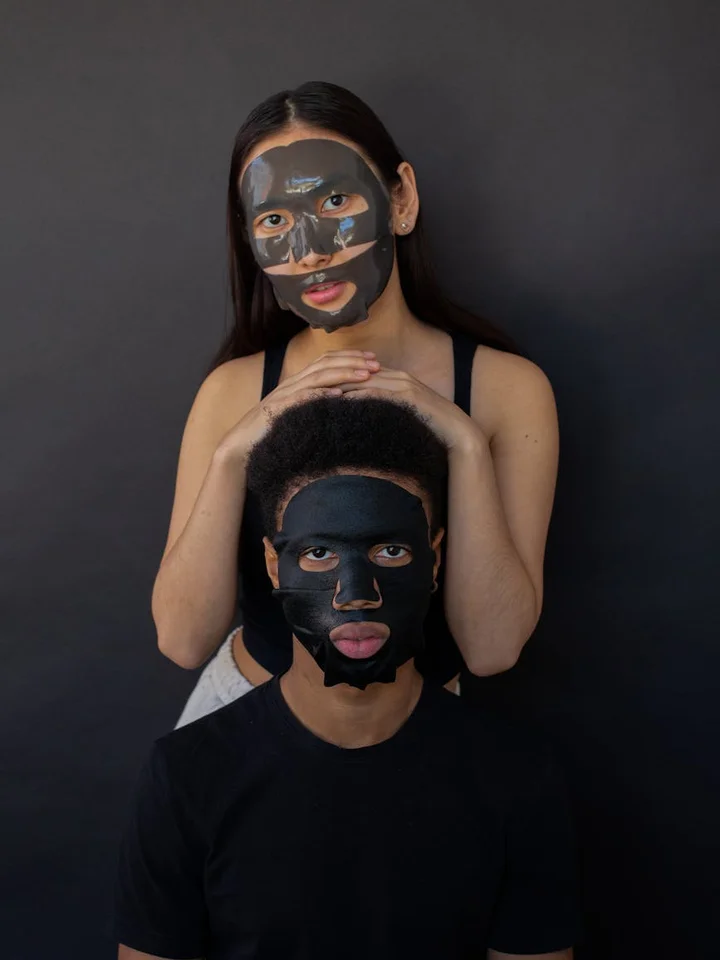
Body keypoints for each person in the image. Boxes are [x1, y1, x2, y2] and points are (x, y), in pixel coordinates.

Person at [151, 80, 559, 725]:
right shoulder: (232, 390)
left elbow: (492, 648)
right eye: (275, 220)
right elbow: (181, 639)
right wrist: (236, 449)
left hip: (418, 735)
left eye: (334, 199)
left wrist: (465, 444)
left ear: (402, 199)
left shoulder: (506, 389)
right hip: (246, 716)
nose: (310, 249)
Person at [117, 397, 575, 960]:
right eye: (316, 553)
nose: (355, 591)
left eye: (388, 549)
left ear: (433, 560)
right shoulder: (187, 776)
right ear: (271, 564)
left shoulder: (516, 777)